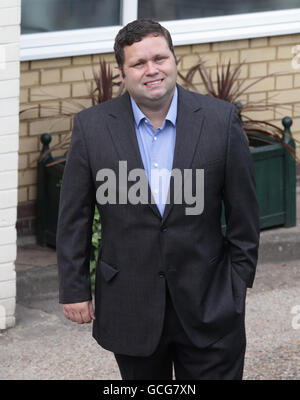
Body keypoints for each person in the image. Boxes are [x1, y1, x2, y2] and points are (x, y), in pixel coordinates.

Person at [57, 19, 260, 380]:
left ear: (174, 60)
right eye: (138, 63)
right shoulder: (91, 127)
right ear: (122, 72)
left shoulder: (220, 120)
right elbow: (75, 217)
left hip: (210, 303)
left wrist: (236, 283)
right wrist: (74, 289)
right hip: (130, 306)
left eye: (160, 58)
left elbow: (245, 214)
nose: (152, 70)